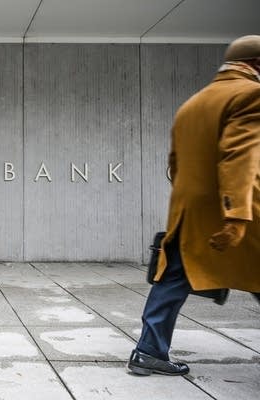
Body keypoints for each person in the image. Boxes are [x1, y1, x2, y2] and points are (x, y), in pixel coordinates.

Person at [128, 35, 260, 376]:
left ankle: (149, 351)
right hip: (233, 212)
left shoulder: (192, 103)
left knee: (173, 278)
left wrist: (193, 199)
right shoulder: (249, 94)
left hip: (188, 212)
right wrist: (236, 216)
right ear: (255, 65)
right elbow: (239, 157)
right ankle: (148, 351)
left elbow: (175, 164)